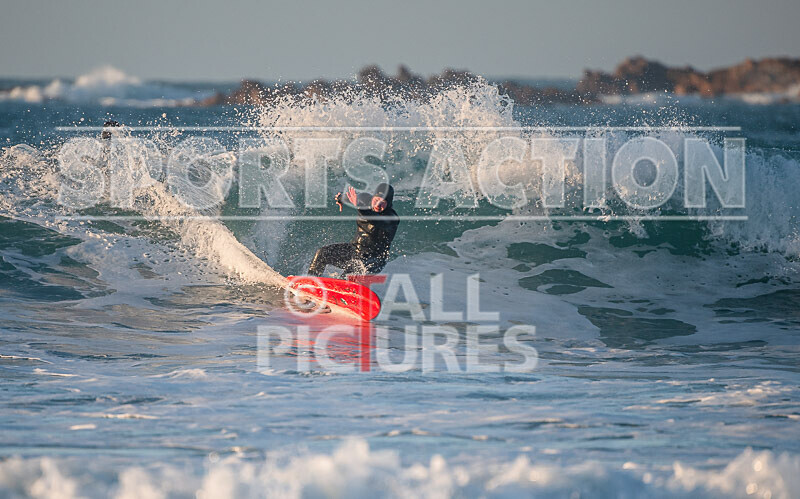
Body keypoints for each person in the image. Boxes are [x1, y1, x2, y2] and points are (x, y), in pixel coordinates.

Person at [307, 182, 399, 276]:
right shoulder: (364, 199)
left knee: (350, 272)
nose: (378, 205)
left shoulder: (391, 218)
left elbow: (374, 219)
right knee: (323, 253)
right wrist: (340, 199)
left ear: (388, 204)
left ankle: (346, 288)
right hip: (356, 250)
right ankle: (310, 281)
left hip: (374, 260)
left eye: (383, 202)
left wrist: (360, 207)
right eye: (376, 199)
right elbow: (349, 198)